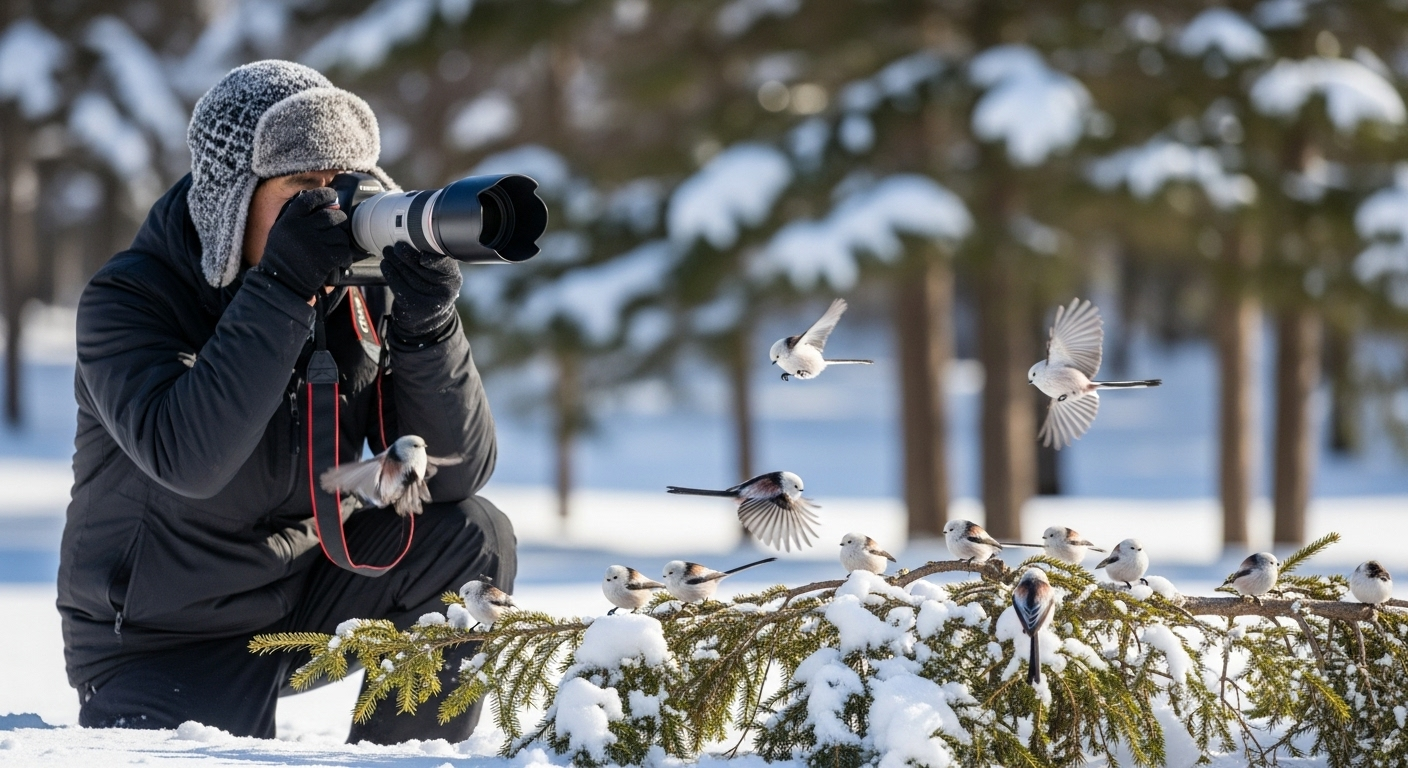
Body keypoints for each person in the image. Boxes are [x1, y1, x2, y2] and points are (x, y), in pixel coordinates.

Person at [56, 60, 515, 743]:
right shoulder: (131, 301)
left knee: (471, 536)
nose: (327, 213)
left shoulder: (355, 288)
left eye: (341, 187)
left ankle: (407, 759)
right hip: (160, 638)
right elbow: (190, 458)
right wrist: (279, 289)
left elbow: (450, 478)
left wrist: (428, 329)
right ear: (230, 198)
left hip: (305, 596)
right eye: (302, 189)